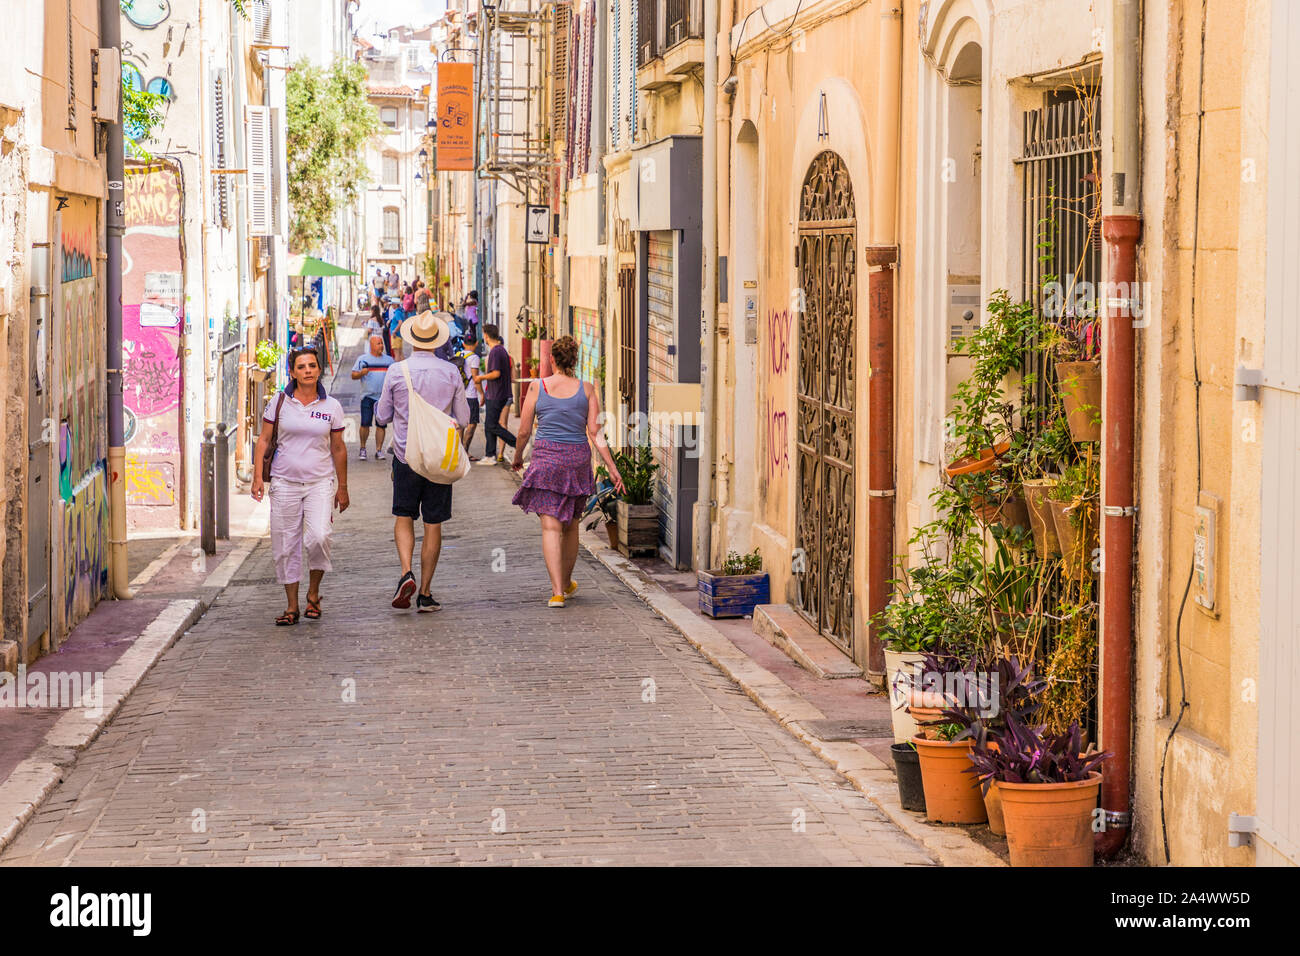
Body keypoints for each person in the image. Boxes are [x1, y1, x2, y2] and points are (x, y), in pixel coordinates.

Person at [511, 335, 624, 608]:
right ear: (575, 361)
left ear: (551, 359)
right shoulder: (586, 389)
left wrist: (517, 457)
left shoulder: (538, 387)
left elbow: (525, 430)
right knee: (571, 525)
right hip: (576, 460)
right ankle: (567, 581)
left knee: (550, 527)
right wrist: (612, 467)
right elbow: (595, 433)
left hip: (547, 460)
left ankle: (557, 592)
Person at [375, 310, 470, 612]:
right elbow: (464, 419)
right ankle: (426, 593)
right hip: (439, 457)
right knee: (433, 523)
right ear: (437, 340)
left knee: (404, 517)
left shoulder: (395, 371)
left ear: (411, 339)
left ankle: (406, 572)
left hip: (406, 456)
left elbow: (382, 416)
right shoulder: (451, 372)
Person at [251, 349, 349, 626]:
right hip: (284, 483)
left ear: (318, 370)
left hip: (320, 482)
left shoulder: (331, 407)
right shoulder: (279, 403)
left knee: (319, 537)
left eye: (312, 366)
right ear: (292, 372)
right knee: (285, 544)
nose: (307, 370)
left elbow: (339, 448)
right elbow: (263, 440)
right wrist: (258, 477)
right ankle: (292, 606)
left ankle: (314, 593)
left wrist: (343, 487)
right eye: (301, 367)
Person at [474, 323, 517, 465]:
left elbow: (496, 373)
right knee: (489, 425)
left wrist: (481, 378)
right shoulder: (501, 350)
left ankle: (516, 443)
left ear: (486, 335)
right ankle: (490, 455)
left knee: (492, 425)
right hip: (497, 393)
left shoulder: (495, 352)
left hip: (497, 394)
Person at [351, 333, 393, 460]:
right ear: (371, 346)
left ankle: (379, 450)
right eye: (378, 343)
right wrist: (361, 373)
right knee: (365, 424)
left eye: (381, 343)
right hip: (367, 396)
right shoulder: (363, 359)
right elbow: (353, 375)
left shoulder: (389, 361)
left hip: (383, 398)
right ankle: (363, 448)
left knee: (381, 425)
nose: (381, 346)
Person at [458, 331, 484, 460]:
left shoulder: (457, 354)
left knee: (460, 423)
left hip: (459, 395)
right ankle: (465, 451)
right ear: (476, 343)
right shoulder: (474, 358)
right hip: (470, 395)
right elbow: (475, 378)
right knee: (472, 424)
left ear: (463, 343)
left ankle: (458, 451)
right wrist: (482, 394)